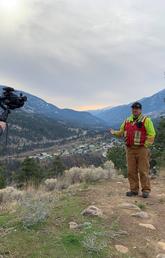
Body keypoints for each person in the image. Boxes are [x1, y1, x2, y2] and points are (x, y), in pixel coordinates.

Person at [110, 102, 156, 198]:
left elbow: (152, 134)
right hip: (129, 149)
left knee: (143, 170)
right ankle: (134, 190)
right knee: (131, 171)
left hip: (142, 149)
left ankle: (146, 190)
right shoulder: (127, 121)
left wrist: (145, 145)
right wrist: (114, 132)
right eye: (133, 108)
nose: (135, 110)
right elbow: (121, 132)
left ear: (140, 110)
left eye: (137, 108)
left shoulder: (146, 120)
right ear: (132, 109)